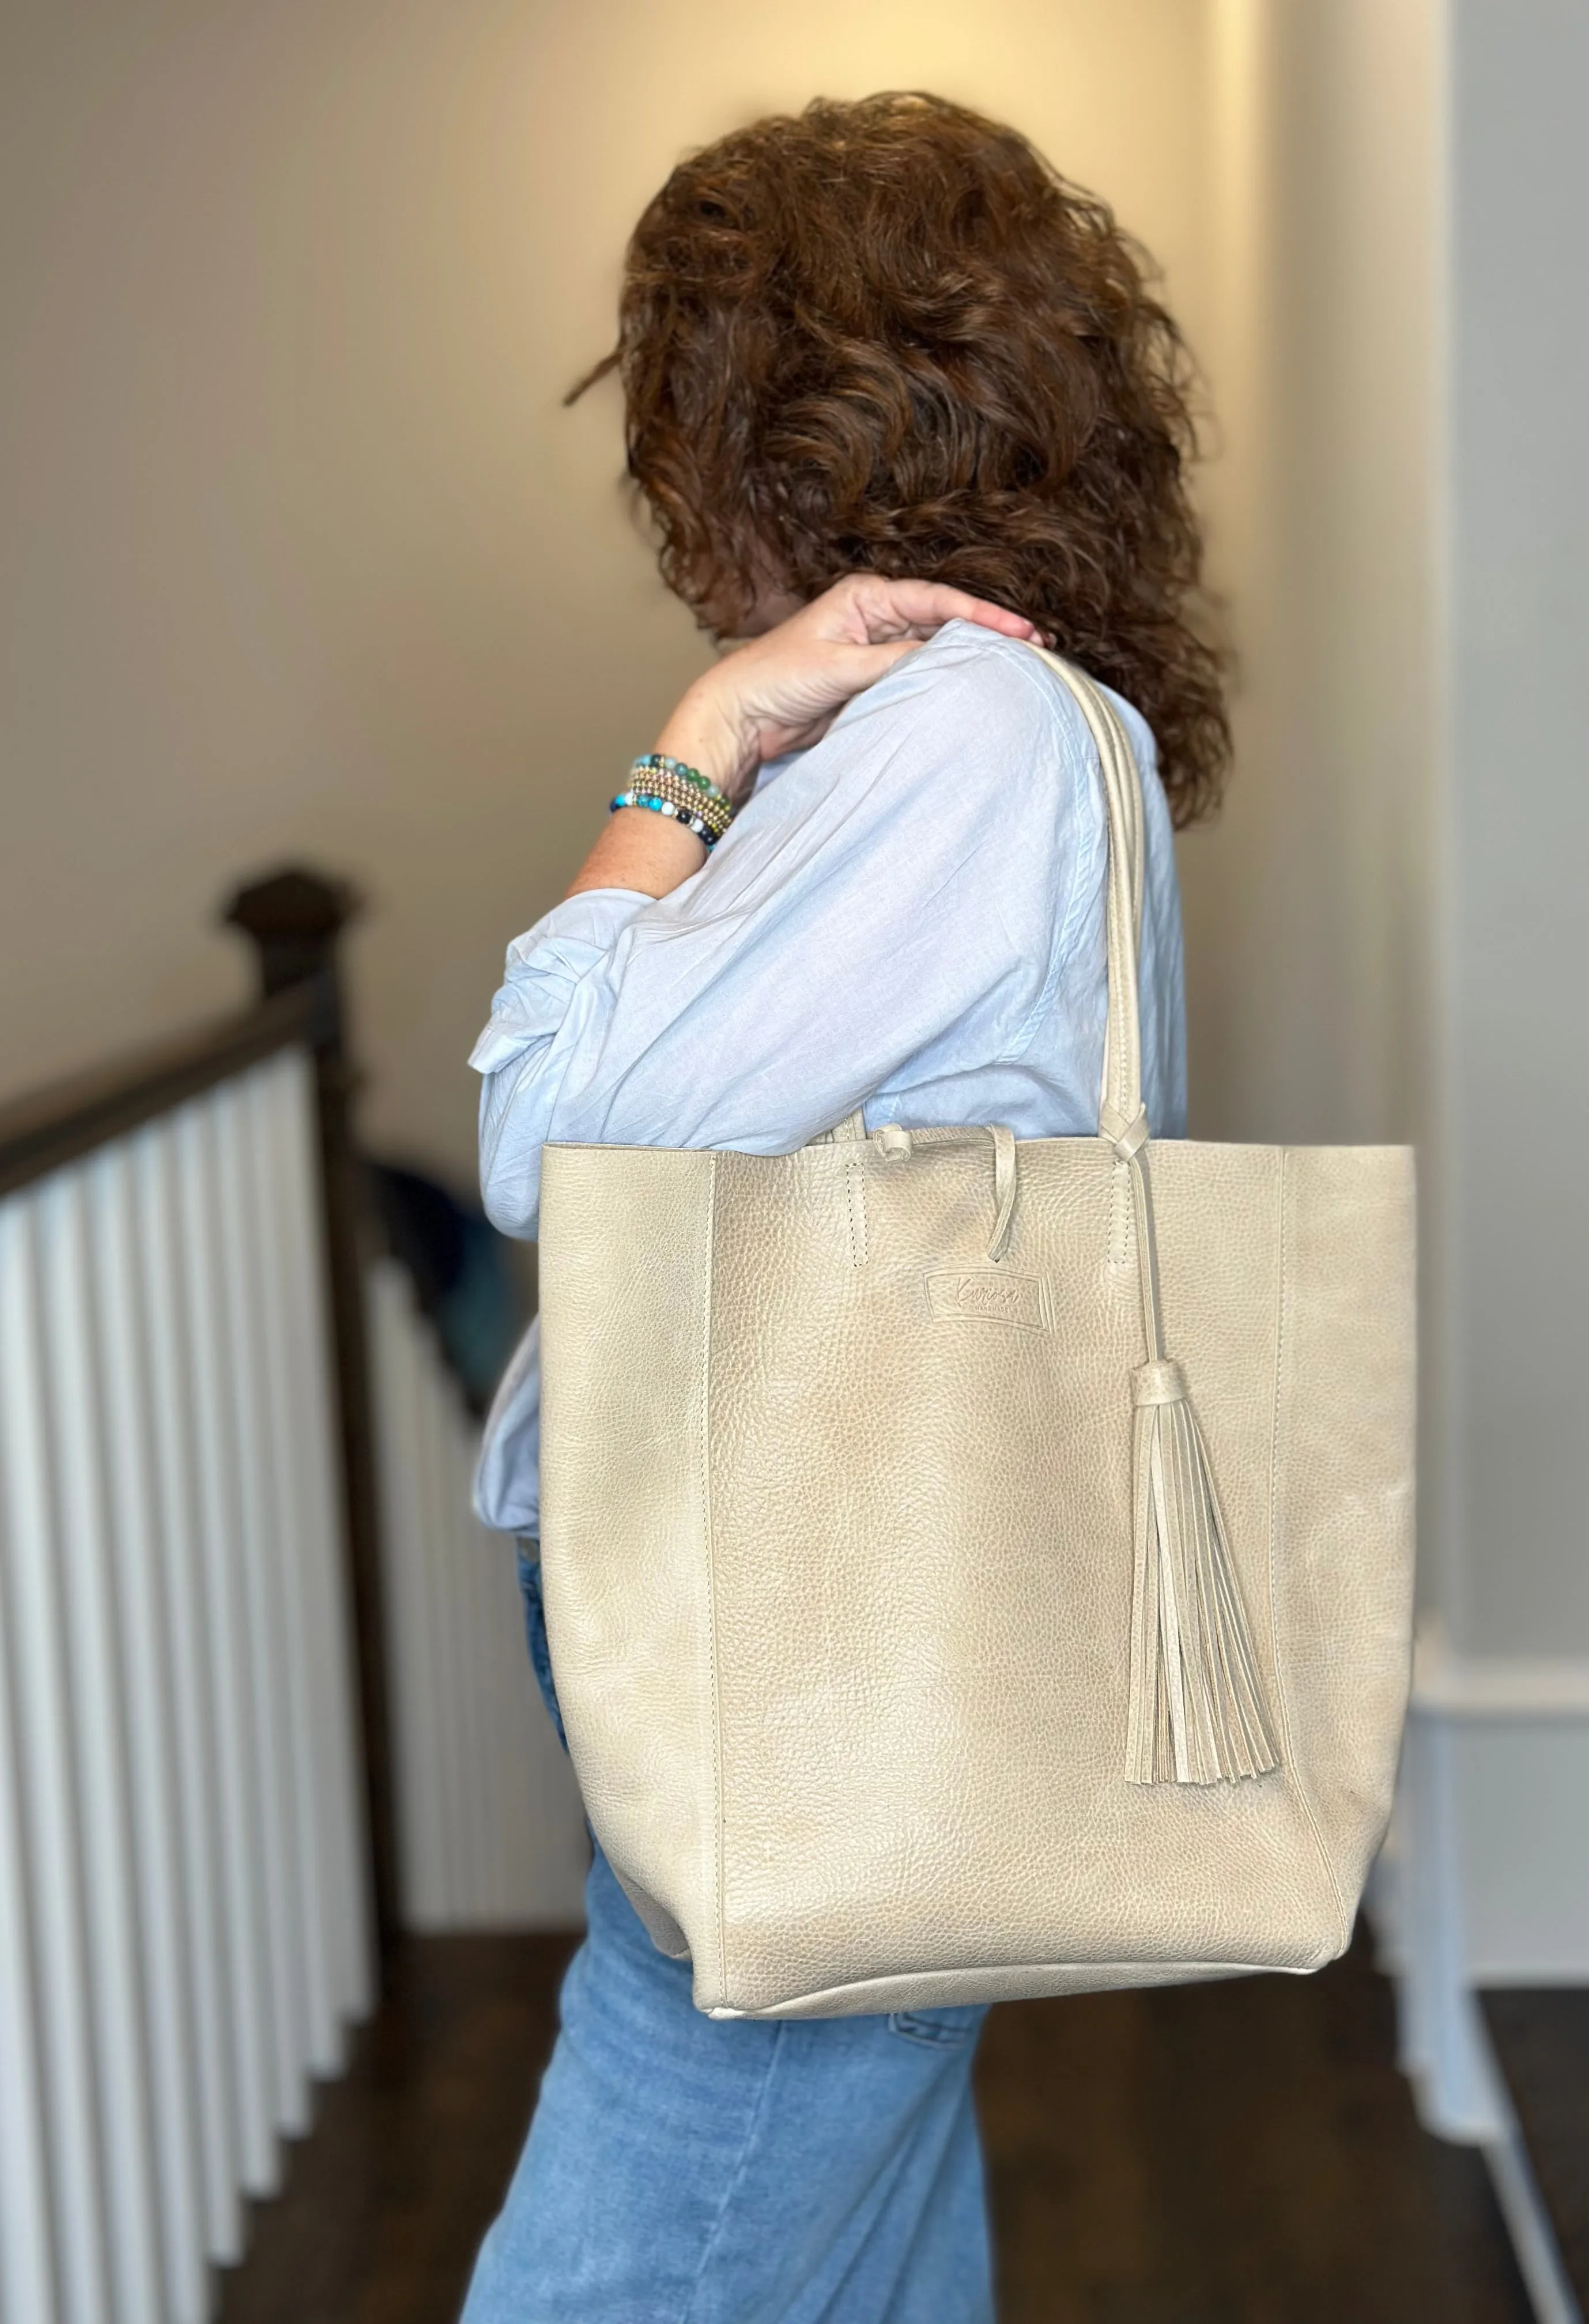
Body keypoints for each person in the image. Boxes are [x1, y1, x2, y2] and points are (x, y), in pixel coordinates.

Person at [459, 90, 1228, 2324]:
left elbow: (547, 1122)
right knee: (872, 2263)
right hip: (846, 1693)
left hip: (822, 1700)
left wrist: (691, 735)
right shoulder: (992, 732)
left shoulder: (954, 742)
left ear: (755, 419)